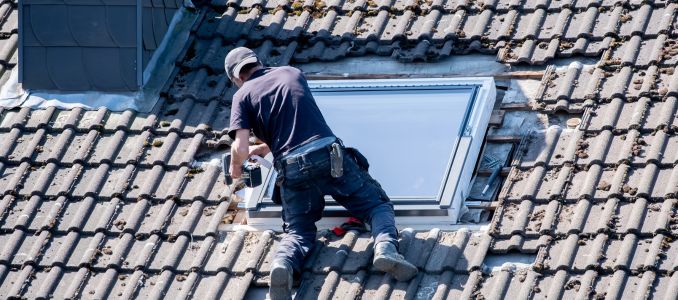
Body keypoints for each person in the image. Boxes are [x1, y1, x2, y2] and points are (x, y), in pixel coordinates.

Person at [224, 47, 418, 300]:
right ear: (259, 62)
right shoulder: (291, 74)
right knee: (376, 206)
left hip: (292, 167)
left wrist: (235, 166)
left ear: (236, 78)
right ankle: (385, 248)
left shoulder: (242, 96)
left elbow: (239, 147)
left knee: (298, 230)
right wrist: (264, 147)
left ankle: (283, 264)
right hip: (328, 154)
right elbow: (297, 123)